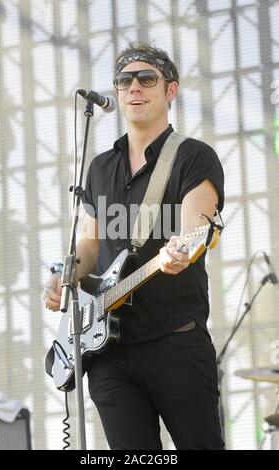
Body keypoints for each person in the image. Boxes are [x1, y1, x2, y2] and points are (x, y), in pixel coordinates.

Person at [44, 42, 225, 450]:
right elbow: (88, 244)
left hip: (175, 342)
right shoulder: (100, 167)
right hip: (106, 350)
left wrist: (183, 252)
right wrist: (63, 277)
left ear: (170, 91)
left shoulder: (192, 157)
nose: (134, 88)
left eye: (147, 79)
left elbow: (198, 227)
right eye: (124, 81)